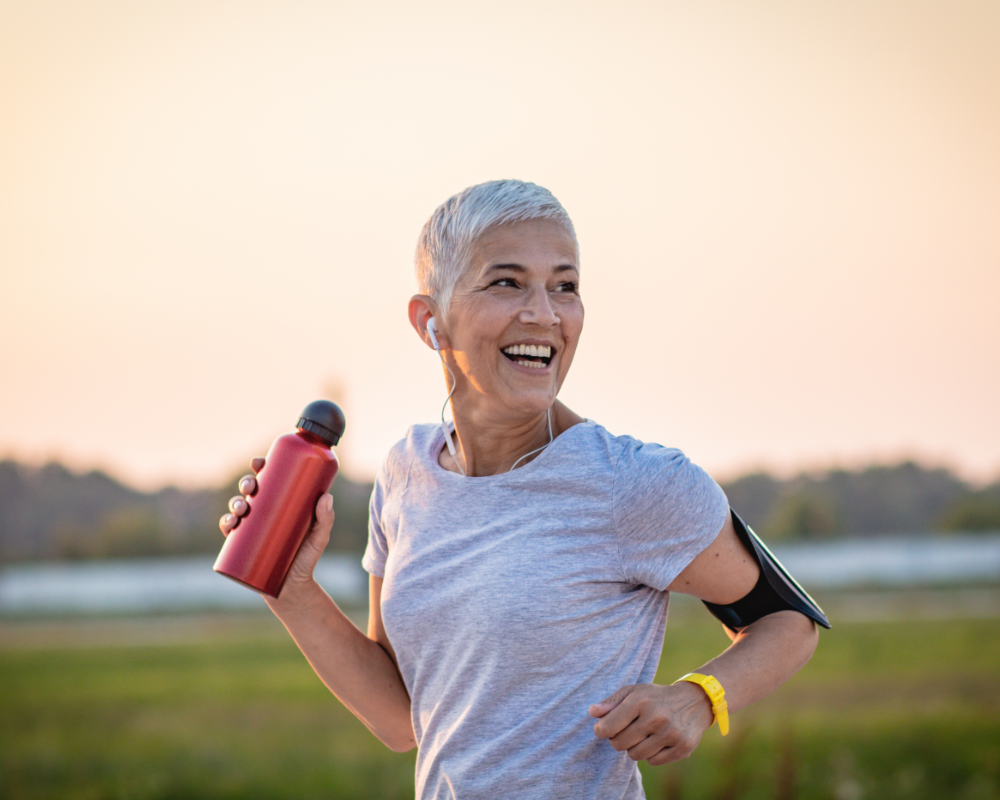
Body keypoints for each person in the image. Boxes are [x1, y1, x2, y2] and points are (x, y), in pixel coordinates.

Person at [219, 180, 822, 800]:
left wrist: (698, 697)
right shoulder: (406, 473)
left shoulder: (634, 482)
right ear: (431, 320)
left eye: (565, 286)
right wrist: (291, 590)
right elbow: (403, 719)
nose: (545, 313)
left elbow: (788, 621)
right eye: (507, 282)